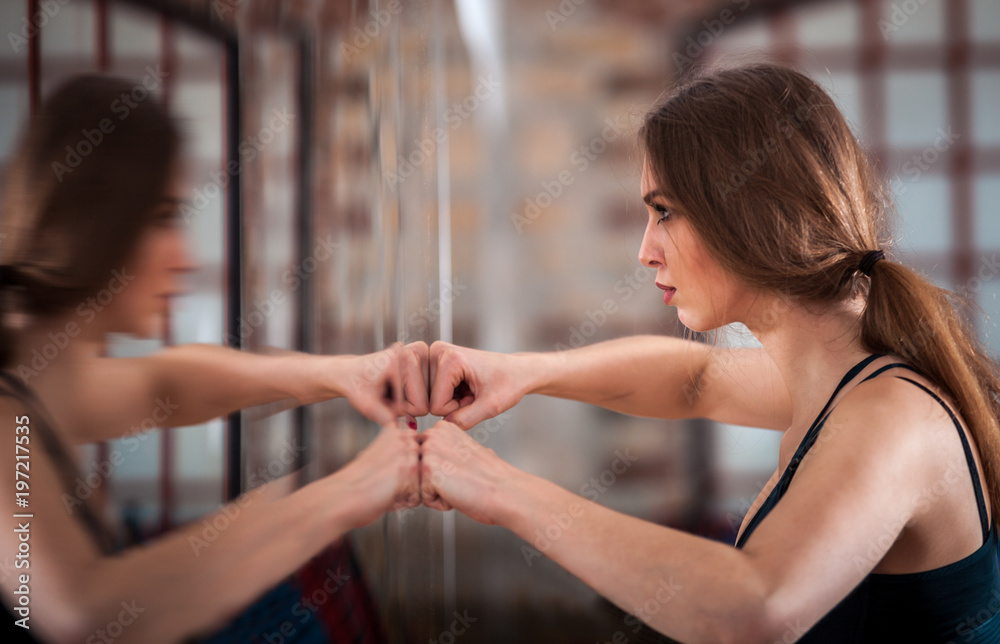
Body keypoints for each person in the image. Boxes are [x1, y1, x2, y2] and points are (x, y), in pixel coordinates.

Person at [419, 64, 1000, 642]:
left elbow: (756, 610)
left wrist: (499, 489)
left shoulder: (891, 416)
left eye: (664, 212)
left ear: (749, 212)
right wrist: (518, 374)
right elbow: (695, 381)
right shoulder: (841, 378)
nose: (645, 250)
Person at [0, 75, 429, 643]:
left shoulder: (40, 366)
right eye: (162, 217)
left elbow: (166, 389)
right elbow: (81, 614)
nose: (185, 258)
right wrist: (340, 494)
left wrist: (340, 374)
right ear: (94, 214)